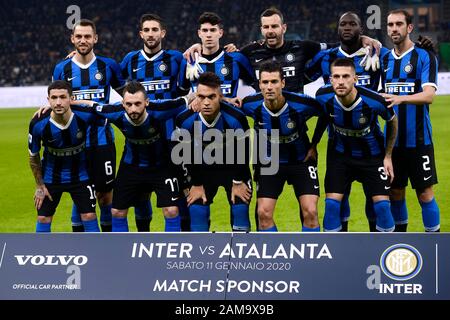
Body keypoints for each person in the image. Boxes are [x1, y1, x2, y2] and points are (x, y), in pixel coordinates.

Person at [306, 11, 435, 231]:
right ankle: (339, 245)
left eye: (352, 25)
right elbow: (304, 72)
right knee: (343, 198)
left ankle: (390, 244)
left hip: (375, 141)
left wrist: (370, 41)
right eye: (343, 25)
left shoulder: (377, 54)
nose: (347, 28)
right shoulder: (330, 57)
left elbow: (403, 55)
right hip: (340, 144)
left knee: (382, 199)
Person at [79, 81, 194, 232]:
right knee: (117, 212)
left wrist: (201, 98)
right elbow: (92, 105)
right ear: (123, 103)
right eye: (129, 104)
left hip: (161, 166)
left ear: (147, 102)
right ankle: (121, 252)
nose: (133, 109)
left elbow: (189, 97)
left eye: (138, 104)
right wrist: (57, 105)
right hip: (131, 166)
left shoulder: (161, 109)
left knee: (172, 211)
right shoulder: (115, 112)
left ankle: (172, 252)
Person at [52, 19, 125, 232]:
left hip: (103, 141)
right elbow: (57, 102)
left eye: (87, 36)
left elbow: (126, 99)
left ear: (95, 38)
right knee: (80, 195)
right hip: (74, 144)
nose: (83, 40)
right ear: (72, 39)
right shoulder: (61, 68)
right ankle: (82, 246)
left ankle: (109, 243)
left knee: (105, 195)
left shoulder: (108, 65)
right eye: (79, 36)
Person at [120, 13, 186, 231]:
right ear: (141, 34)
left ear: (162, 33)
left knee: (178, 196)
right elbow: (113, 82)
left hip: (171, 139)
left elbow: (198, 66)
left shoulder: (176, 58)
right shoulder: (130, 60)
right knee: (141, 195)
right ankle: (143, 240)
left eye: (154, 30)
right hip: (141, 138)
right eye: (146, 30)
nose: (150, 34)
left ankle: (182, 242)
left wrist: (195, 46)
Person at [316, 58, 398, 232]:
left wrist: (388, 156)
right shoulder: (323, 96)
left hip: (373, 157)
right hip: (340, 157)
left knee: (382, 207)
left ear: (355, 79)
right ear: (330, 79)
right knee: (331, 205)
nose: (340, 81)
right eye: (336, 77)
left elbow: (392, 120)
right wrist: (313, 144)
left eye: (346, 76)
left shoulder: (374, 101)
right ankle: (334, 252)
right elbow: (324, 116)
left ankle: (386, 251)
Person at [241, 61, 323, 232]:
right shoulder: (250, 104)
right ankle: (274, 255)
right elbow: (225, 107)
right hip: (270, 164)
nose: (269, 87)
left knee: (311, 211)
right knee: (263, 214)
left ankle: (311, 257)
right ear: (259, 85)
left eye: (274, 81)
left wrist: (314, 143)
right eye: (265, 82)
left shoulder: (302, 104)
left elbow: (327, 113)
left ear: (283, 83)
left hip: (301, 161)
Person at [380, 9, 440, 232]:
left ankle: (434, 241)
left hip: (419, 141)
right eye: (390, 25)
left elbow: (428, 96)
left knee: (425, 194)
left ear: (409, 28)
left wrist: (400, 98)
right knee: (395, 193)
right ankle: (400, 241)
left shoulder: (424, 57)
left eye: (398, 24)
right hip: (392, 144)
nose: (394, 29)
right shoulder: (384, 58)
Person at [174, 72, 252, 232]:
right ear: (196, 96)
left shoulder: (236, 118)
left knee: (240, 208)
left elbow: (244, 152)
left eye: (212, 97)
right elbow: (185, 155)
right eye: (201, 97)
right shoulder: (185, 120)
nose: (206, 102)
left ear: (221, 96)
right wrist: (195, 184)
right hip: (202, 170)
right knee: (196, 210)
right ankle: (203, 254)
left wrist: (238, 182)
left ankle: (240, 252)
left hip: (233, 168)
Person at [28, 80, 100, 233]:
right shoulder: (38, 123)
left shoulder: (84, 115)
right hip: (50, 177)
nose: (58, 102)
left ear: (71, 98)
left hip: (81, 176)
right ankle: (41, 253)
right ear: (48, 100)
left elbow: (104, 110)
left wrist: (79, 102)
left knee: (89, 215)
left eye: (62, 97)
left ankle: (98, 252)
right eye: (54, 98)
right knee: (43, 218)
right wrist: (39, 185)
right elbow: (33, 157)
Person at [178, 12, 255, 98]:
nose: (208, 35)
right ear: (199, 33)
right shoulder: (188, 60)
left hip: (228, 111)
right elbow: (182, 92)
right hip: (199, 112)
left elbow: (255, 84)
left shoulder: (237, 59)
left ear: (220, 33)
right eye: (205, 30)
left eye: (213, 30)